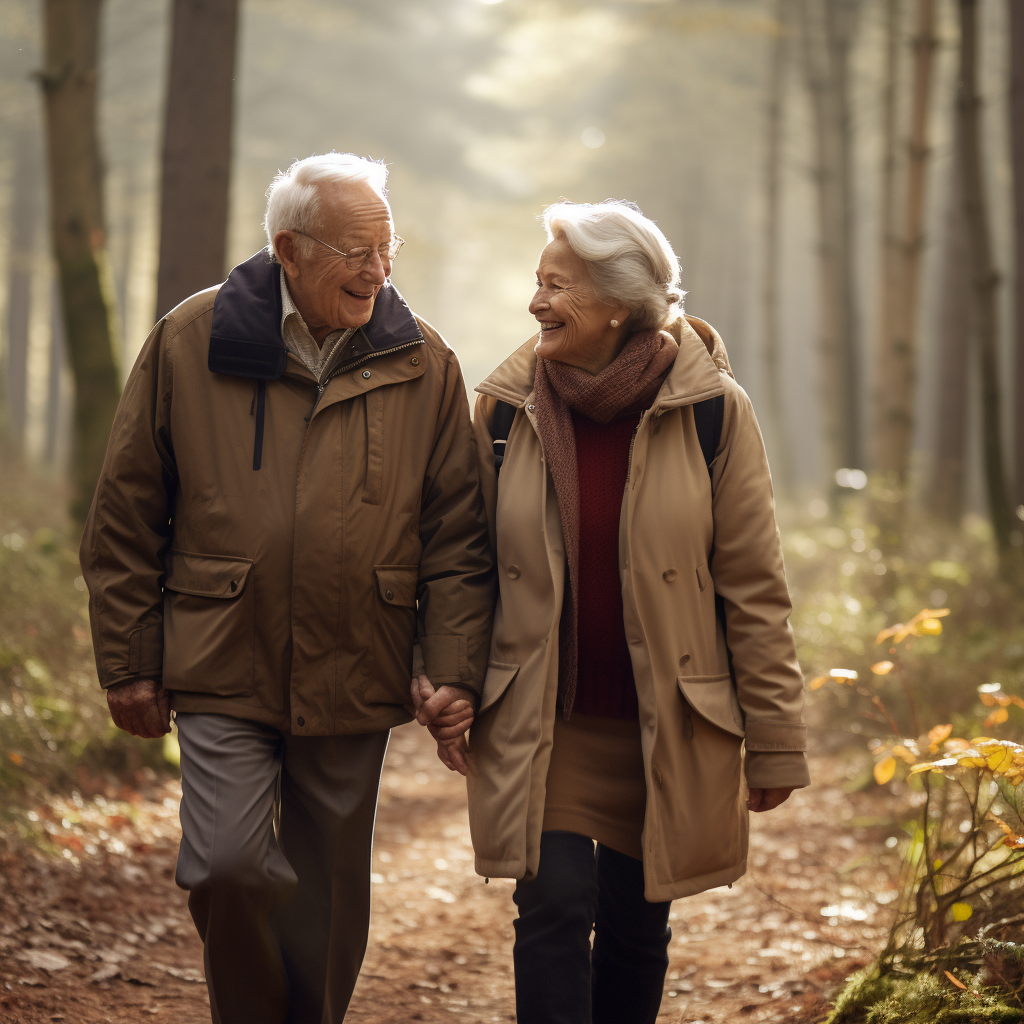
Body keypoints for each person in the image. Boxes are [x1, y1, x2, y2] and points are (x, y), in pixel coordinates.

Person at [80, 152, 494, 1024]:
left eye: (388, 249)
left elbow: (458, 538)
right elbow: (125, 515)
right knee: (227, 865)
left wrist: (450, 663)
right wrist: (130, 661)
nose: (379, 271)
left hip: (356, 657)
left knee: (329, 896)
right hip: (221, 652)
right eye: (356, 251)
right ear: (289, 250)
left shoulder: (426, 363)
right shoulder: (190, 342)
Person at [446, 200, 810, 1024]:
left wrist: (777, 739)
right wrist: (452, 679)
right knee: (551, 908)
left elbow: (753, 584)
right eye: (537, 282)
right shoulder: (506, 411)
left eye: (558, 286)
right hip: (548, 717)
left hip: (668, 719)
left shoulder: (714, 411)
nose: (537, 301)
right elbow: (469, 566)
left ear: (619, 301)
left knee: (639, 928)